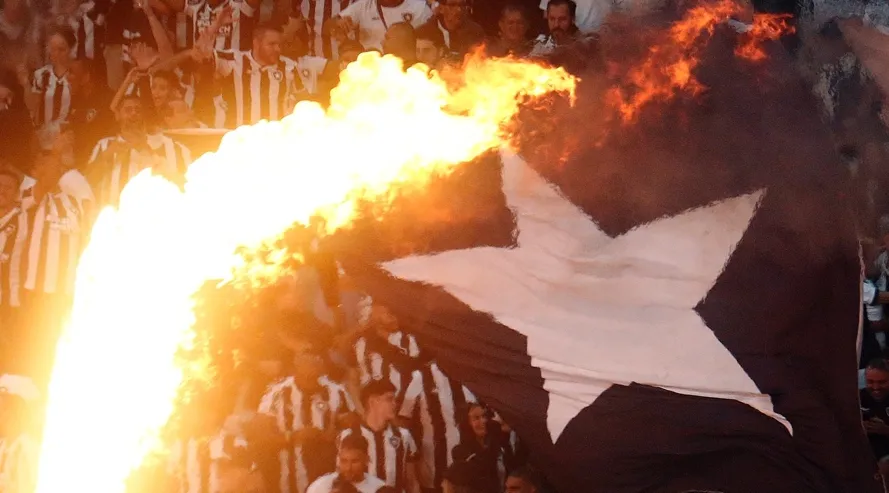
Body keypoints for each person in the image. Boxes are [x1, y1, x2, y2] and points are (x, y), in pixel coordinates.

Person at [258, 351, 356, 493]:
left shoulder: (336, 391)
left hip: (327, 474)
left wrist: (334, 435)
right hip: (288, 475)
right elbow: (262, 435)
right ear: (296, 364)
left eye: (316, 361)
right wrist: (293, 436)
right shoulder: (277, 392)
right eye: (307, 362)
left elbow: (353, 428)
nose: (312, 366)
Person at [86, 94, 191, 209]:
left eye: (138, 110)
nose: (133, 113)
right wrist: (108, 155)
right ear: (118, 115)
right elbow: (87, 183)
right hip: (117, 219)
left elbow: (185, 184)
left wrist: (145, 148)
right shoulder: (104, 146)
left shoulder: (168, 146)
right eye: (128, 110)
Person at [397, 362, 476, 492]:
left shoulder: (465, 375)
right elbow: (403, 418)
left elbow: (474, 412)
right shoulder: (421, 377)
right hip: (431, 470)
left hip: (463, 472)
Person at [338, 380, 420, 493]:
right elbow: (342, 478)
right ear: (372, 402)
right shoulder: (348, 435)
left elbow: (411, 481)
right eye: (389, 399)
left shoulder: (403, 436)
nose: (394, 404)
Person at [443, 403, 508, 493]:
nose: (483, 421)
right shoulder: (461, 452)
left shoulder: (497, 445)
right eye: (476, 418)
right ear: (467, 423)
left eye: (484, 416)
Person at [325, 0, 432, 51]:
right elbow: (328, 26)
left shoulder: (419, 7)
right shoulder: (364, 5)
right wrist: (338, 24)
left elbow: (431, 39)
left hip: (406, 68)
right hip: (372, 67)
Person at [26, 25, 77, 129]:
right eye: (53, 49)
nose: (56, 53)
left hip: (68, 136)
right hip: (43, 135)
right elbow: (34, 107)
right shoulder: (41, 75)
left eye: (61, 49)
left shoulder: (77, 76)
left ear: (71, 49)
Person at [66, 59, 115, 167]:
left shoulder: (109, 98)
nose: (67, 77)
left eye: (72, 72)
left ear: (86, 77)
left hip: (100, 160)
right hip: (77, 160)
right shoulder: (72, 99)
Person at [307, 433, 386, 493]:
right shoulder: (320, 487)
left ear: (366, 460)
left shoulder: (378, 488)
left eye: (354, 461)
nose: (348, 468)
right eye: (344, 461)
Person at [862, 359, 889, 484]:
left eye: (882, 382)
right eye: (870, 382)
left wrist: (885, 431)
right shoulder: (857, 398)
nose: (876, 387)